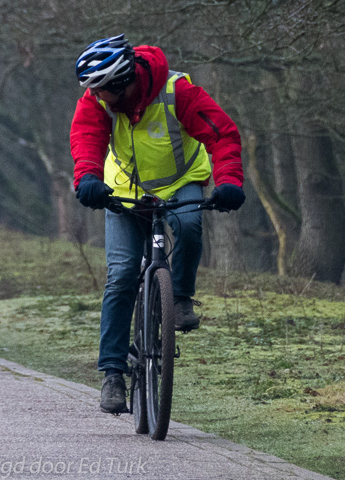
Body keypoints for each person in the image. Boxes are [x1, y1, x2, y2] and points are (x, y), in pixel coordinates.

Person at [70, 34, 245, 413]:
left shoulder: (176, 91)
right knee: (120, 275)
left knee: (189, 224)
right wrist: (86, 178)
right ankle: (113, 373)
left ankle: (179, 296)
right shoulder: (97, 100)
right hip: (124, 191)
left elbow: (222, 134)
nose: (97, 97)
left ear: (123, 83)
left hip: (180, 182)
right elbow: (87, 138)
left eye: (103, 90)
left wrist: (228, 181)